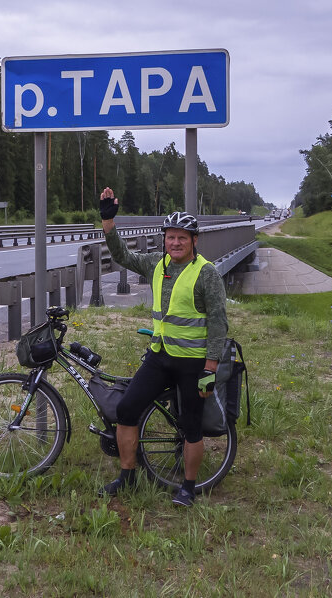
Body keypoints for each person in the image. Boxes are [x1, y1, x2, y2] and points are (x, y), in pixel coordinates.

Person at [97, 186, 229, 506]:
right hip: (160, 356)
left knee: (190, 425)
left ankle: (187, 486)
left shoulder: (206, 273)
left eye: (182, 237)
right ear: (164, 239)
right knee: (127, 410)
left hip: (193, 363)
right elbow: (121, 256)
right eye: (171, 237)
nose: (176, 242)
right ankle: (127, 475)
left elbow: (217, 323)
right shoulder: (157, 263)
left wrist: (210, 369)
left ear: (195, 241)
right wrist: (108, 223)